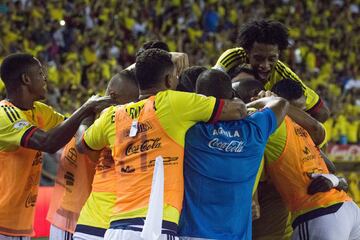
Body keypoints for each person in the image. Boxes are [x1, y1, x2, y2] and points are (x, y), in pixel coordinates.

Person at [80, 48, 247, 240]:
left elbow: (82, 145)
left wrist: (87, 110)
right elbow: (238, 110)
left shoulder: (112, 115)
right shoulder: (174, 102)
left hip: (116, 228)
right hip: (155, 227)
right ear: (169, 80)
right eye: (175, 77)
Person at [0, 53, 113, 239]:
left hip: (20, 224)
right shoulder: (5, 115)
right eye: (40, 73)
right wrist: (85, 108)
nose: (45, 78)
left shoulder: (40, 111)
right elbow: (48, 143)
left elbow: (71, 129)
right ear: (26, 79)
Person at [235, 78, 360, 240]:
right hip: (348, 210)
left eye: (303, 110)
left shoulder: (273, 125)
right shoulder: (300, 128)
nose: (302, 115)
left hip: (317, 213)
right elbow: (330, 167)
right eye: (297, 110)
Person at [178, 69, 289, 239]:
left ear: (199, 97)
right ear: (231, 96)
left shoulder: (190, 129)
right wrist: (244, 106)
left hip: (192, 234)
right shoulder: (254, 130)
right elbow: (280, 103)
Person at [48, 69, 139, 240]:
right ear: (114, 95)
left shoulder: (88, 117)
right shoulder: (92, 125)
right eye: (132, 102)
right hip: (73, 217)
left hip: (83, 216)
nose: (133, 108)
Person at [214, 19, 330, 122]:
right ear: (247, 52)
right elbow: (209, 86)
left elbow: (322, 113)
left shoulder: (284, 74)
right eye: (258, 58)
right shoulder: (232, 58)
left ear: (278, 54)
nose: (265, 65)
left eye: (272, 59)